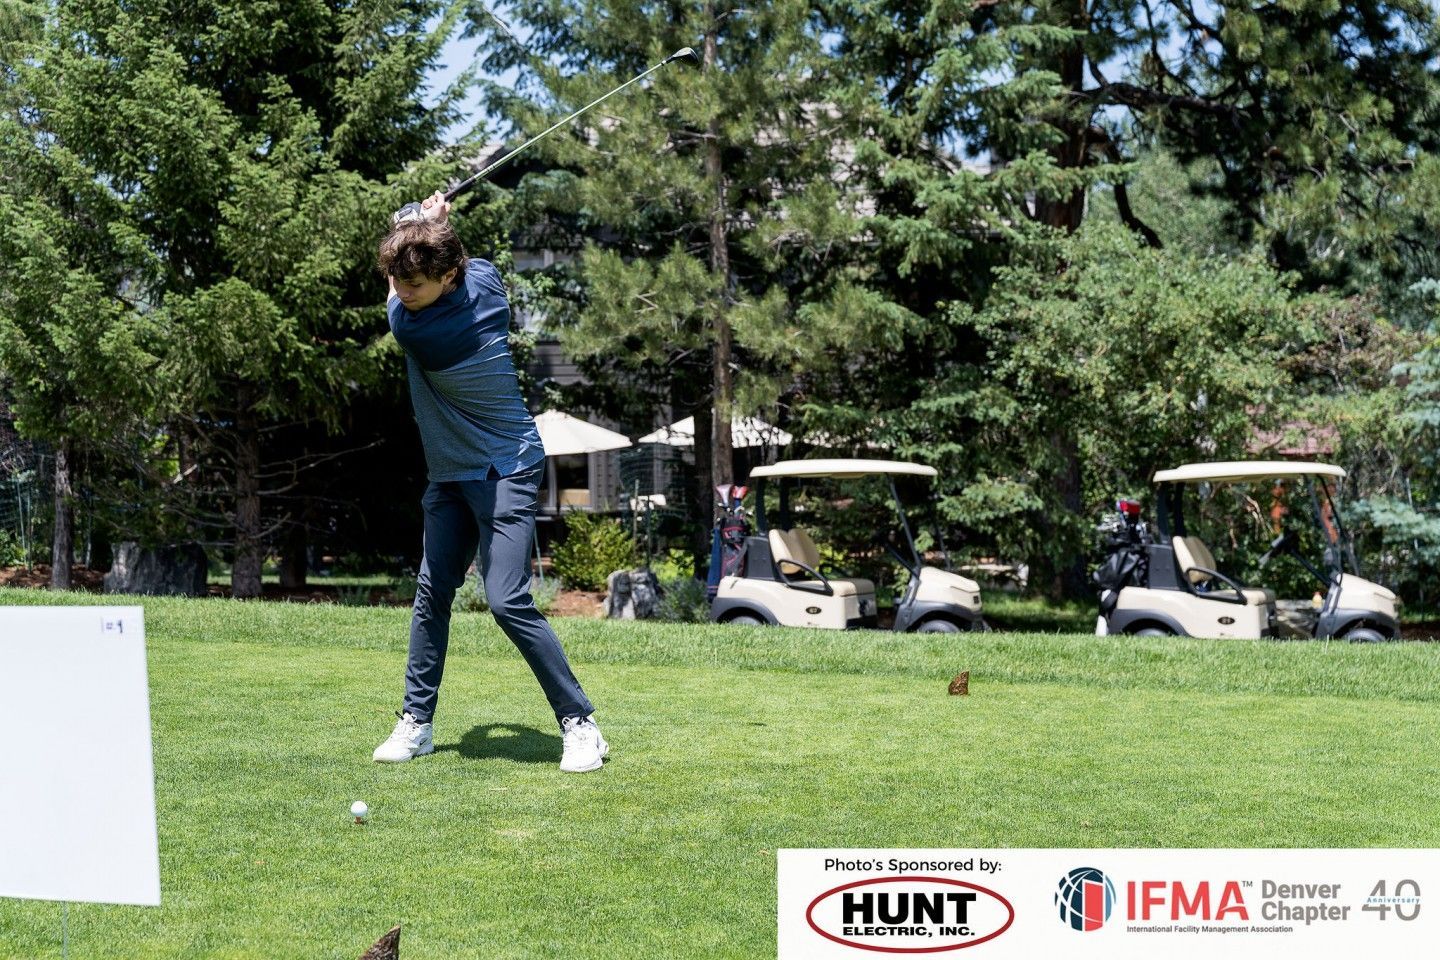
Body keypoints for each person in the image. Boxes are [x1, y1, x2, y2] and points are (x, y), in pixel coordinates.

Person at [371, 191, 607, 773]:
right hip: (451, 474)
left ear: (448, 277)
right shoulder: (487, 281)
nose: (405, 294)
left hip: (506, 467)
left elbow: (398, 292)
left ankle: (581, 724)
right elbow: (423, 260)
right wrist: (434, 226)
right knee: (432, 595)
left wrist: (420, 219)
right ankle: (417, 722)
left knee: (505, 600)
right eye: (400, 283)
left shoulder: (415, 329)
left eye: (418, 285)